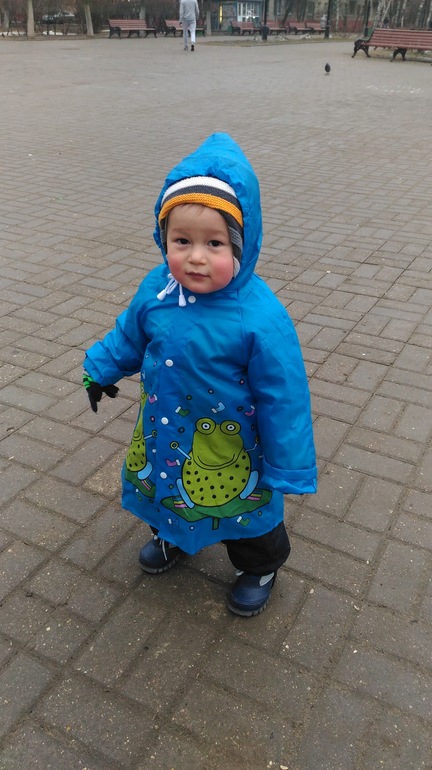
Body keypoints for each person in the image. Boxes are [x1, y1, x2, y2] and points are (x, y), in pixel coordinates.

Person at [83, 133, 317, 617]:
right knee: (166, 489)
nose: (195, 256)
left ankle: (259, 567)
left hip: (231, 442)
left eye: (214, 244)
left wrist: (289, 463)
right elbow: (130, 334)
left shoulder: (259, 317)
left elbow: (284, 396)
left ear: (241, 246)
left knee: (246, 515)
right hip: (166, 427)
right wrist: (101, 368)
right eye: (181, 241)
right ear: (163, 239)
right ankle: (172, 536)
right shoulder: (157, 289)